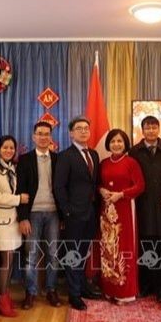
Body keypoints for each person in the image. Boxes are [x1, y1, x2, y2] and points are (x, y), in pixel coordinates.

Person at [54, 116, 101, 311]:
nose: (83, 131)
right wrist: (67, 212)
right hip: (74, 214)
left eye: (86, 128)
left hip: (91, 212)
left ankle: (82, 287)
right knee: (73, 254)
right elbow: (59, 186)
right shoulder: (66, 156)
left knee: (83, 253)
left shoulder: (94, 155)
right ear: (71, 133)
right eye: (79, 128)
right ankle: (74, 294)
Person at [16, 122, 62, 310]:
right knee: (32, 255)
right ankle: (31, 292)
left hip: (53, 213)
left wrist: (63, 216)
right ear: (33, 137)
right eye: (39, 134)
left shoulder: (58, 159)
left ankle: (51, 290)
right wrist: (23, 217)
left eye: (46, 134)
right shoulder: (25, 160)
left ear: (51, 137)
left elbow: (62, 189)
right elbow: (20, 190)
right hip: (32, 213)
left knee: (53, 254)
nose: (43, 137)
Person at [128, 116, 161, 303]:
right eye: (148, 127)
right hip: (142, 206)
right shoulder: (134, 151)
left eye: (154, 127)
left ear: (159, 129)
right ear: (142, 130)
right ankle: (145, 285)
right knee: (144, 245)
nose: (151, 131)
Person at [98, 129, 145, 305]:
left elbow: (140, 186)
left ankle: (125, 292)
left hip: (125, 209)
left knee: (124, 248)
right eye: (113, 141)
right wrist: (102, 190)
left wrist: (121, 194)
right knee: (108, 250)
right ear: (108, 144)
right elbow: (98, 185)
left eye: (120, 141)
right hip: (106, 211)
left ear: (125, 143)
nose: (116, 144)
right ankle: (109, 289)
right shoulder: (103, 163)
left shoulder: (131, 162)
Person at [0, 135, 28, 317]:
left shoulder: (12, 168)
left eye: (12, 148)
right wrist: (18, 199)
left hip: (13, 219)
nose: (9, 150)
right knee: (6, 260)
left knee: (10, 261)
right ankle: (1, 298)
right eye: (5, 147)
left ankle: (5, 295)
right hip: (0, 219)